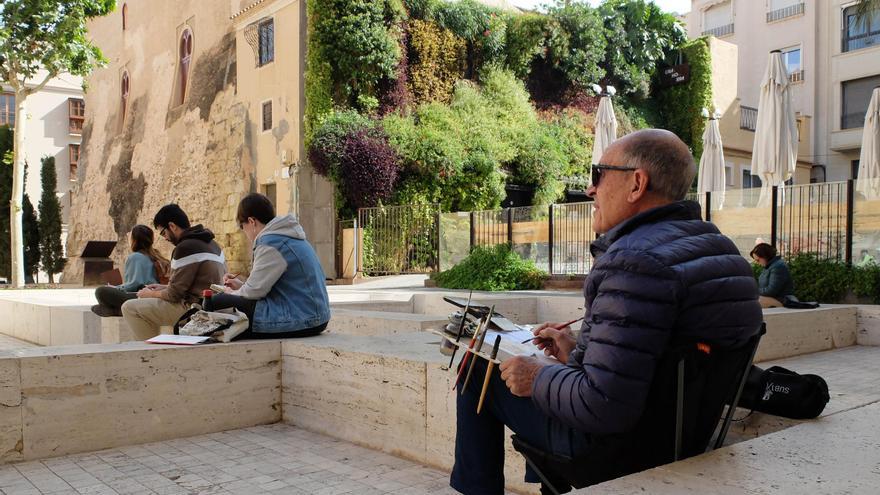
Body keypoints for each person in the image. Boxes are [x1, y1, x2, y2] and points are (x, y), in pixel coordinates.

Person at [450, 129, 763, 494]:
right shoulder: (721, 251)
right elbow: (657, 357)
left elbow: (602, 405)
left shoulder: (635, 262)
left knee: (475, 367)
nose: (590, 190)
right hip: (679, 435)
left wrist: (535, 376)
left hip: (617, 449)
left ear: (637, 184)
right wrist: (575, 351)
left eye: (598, 175)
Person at [206, 193, 330, 339]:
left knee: (217, 301)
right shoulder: (287, 235)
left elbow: (254, 293)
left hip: (302, 319)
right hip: (315, 316)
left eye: (242, 226)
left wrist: (230, 293)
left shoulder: (270, 243)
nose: (244, 232)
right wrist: (241, 286)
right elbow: (263, 287)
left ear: (251, 221)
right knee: (227, 302)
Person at [121, 204, 226, 340]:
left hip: (195, 309)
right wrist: (163, 287)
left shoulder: (185, 247)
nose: (165, 238)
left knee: (129, 308)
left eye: (163, 232)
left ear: (172, 226)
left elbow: (174, 295)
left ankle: (152, 354)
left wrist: (150, 294)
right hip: (215, 305)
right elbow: (197, 284)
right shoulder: (213, 244)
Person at [91, 225, 170, 317]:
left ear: (134, 240)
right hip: (155, 297)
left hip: (142, 296)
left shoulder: (135, 257)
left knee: (101, 291)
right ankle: (114, 309)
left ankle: (116, 310)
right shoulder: (157, 255)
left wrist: (115, 288)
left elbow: (133, 285)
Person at [750, 242, 795, 308]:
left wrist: (754, 291)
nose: (757, 262)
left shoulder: (778, 266)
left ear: (765, 256)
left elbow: (771, 291)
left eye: (758, 260)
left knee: (754, 301)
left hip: (783, 299)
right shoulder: (769, 266)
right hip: (773, 298)